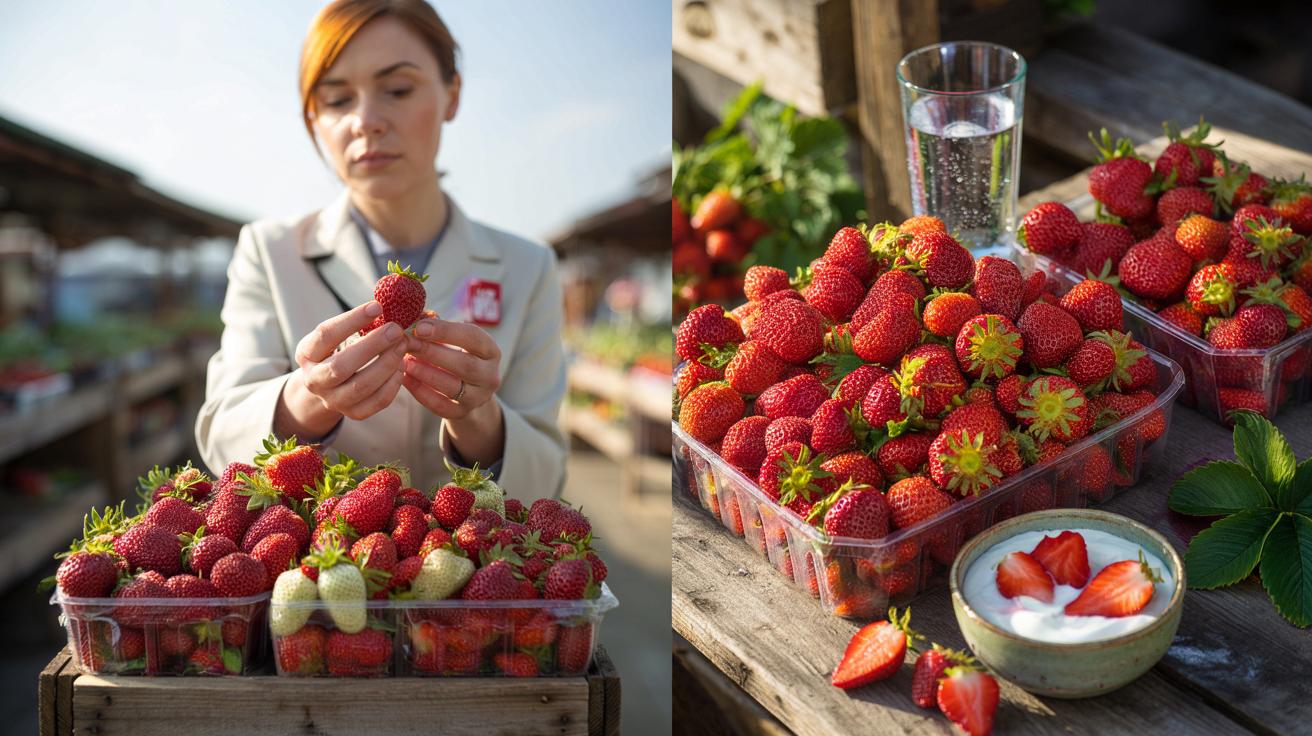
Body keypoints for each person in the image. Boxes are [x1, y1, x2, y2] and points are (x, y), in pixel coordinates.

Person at [195, 0, 567, 501]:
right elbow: (221, 440)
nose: (366, 121)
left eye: (397, 89)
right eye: (336, 100)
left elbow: (545, 478)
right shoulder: (269, 251)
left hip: (468, 567)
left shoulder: (529, 267)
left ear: (452, 94)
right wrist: (309, 394)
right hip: (315, 568)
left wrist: (479, 415)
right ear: (314, 117)